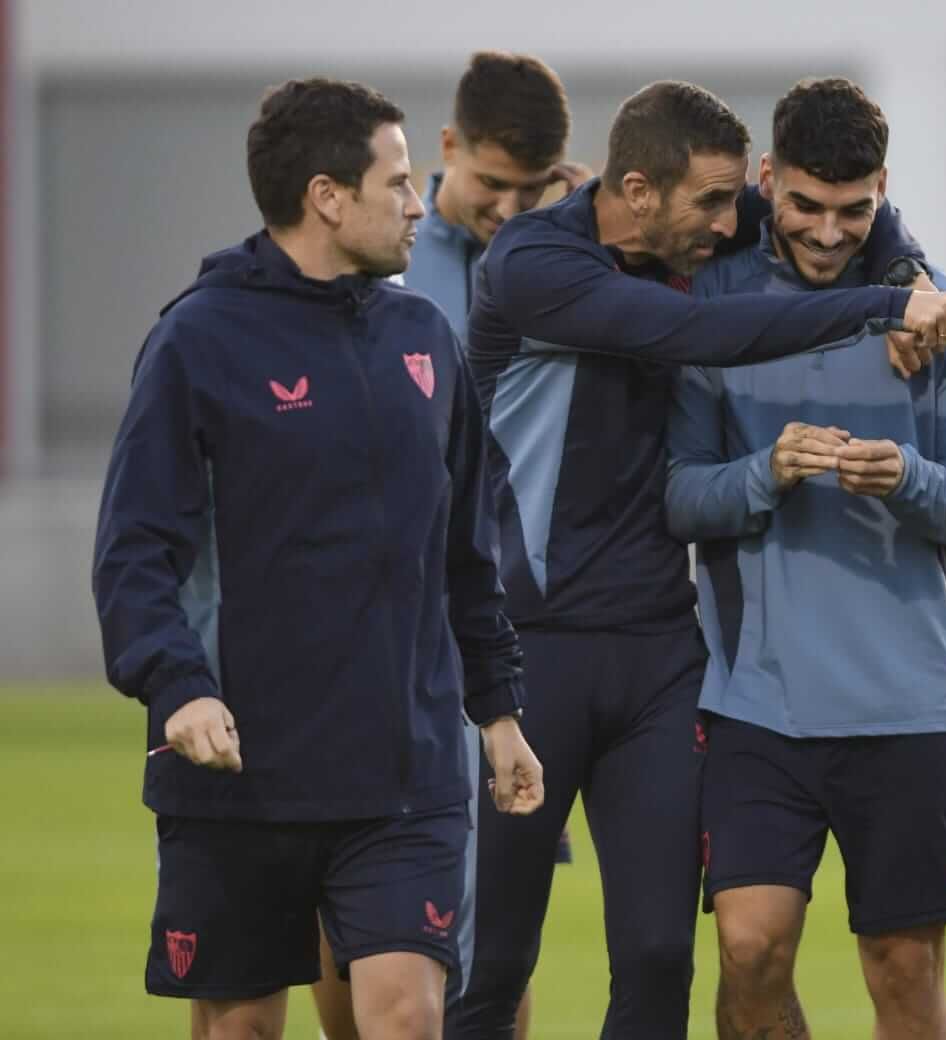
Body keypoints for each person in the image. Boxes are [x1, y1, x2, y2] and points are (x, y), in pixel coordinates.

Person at [448, 79, 946, 1039]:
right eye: (724, 202)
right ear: (644, 192)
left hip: (686, 662)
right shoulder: (548, 265)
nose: (737, 223)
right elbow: (690, 362)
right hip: (551, 650)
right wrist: (883, 309)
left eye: (851, 210)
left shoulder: (862, 283)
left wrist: (910, 286)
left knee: (670, 957)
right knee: (503, 959)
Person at [91, 77, 543, 1040]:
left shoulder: (425, 338)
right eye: (399, 181)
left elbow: (469, 548)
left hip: (405, 773)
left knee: (407, 1020)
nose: (419, 204)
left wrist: (499, 712)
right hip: (240, 774)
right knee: (243, 1029)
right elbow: (134, 549)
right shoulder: (196, 340)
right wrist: (178, 687)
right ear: (327, 197)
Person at [663, 77, 946, 1040]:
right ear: (768, 178)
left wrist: (908, 477)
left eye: (853, 210)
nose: (827, 232)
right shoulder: (711, 307)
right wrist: (764, 472)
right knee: (749, 950)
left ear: (882, 191)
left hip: (909, 706)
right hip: (754, 702)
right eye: (806, 205)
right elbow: (678, 496)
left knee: (904, 972)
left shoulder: (944, 316)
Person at [310, 50, 582, 1040]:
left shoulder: (574, 250)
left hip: (510, 626)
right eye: (491, 183)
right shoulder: (380, 250)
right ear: (448, 146)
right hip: (377, 634)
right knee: (349, 910)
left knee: (499, 925)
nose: (508, 208)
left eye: (532, 188)